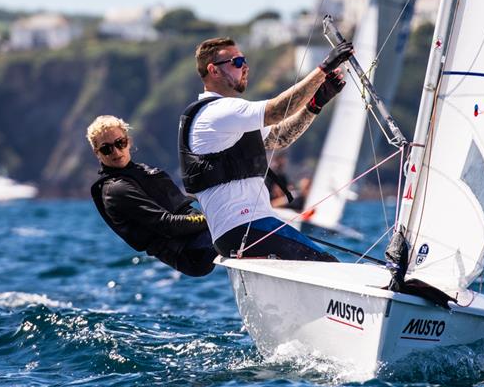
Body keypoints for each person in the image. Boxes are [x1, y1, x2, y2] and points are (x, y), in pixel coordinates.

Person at [178, 36, 352, 261]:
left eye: (244, 61)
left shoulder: (229, 118)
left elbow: (280, 138)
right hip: (247, 228)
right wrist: (323, 69)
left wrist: (315, 104)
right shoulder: (218, 111)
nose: (245, 67)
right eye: (237, 62)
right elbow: (278, 110)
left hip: (241, 232)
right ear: (214, 70)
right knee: (328, 266)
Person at [88, 115, 217, 276]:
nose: (116, 151)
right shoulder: (116, 190)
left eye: (120, 143)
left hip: (199, 237)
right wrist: (214, 219)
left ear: (128, 141)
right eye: (106, 148)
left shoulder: (140, 171)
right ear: (97, 153)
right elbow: (167, 224)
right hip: (190, 253)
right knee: (243, 229)